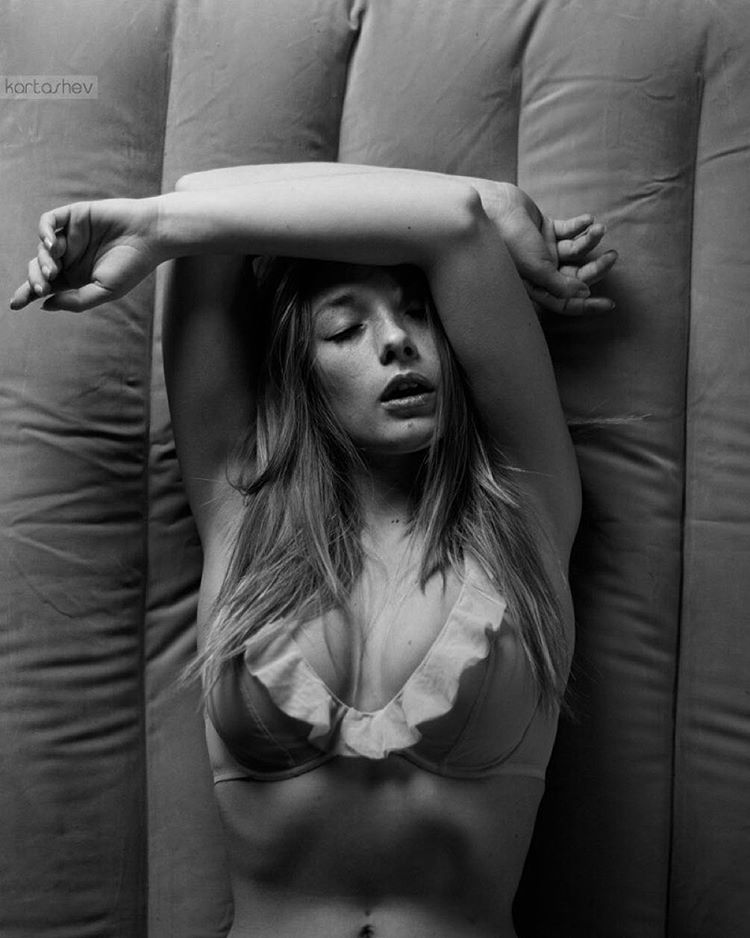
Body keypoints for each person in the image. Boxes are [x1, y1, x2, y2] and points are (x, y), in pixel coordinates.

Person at [11, 163, 616, 938]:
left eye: (419, 314)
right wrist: (162, 223)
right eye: (345, 329)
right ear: (303, 372)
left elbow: (454, 227)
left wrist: (483, 206)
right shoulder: (242, 515)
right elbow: (202, 197)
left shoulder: (524, 514)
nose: (396, 343)